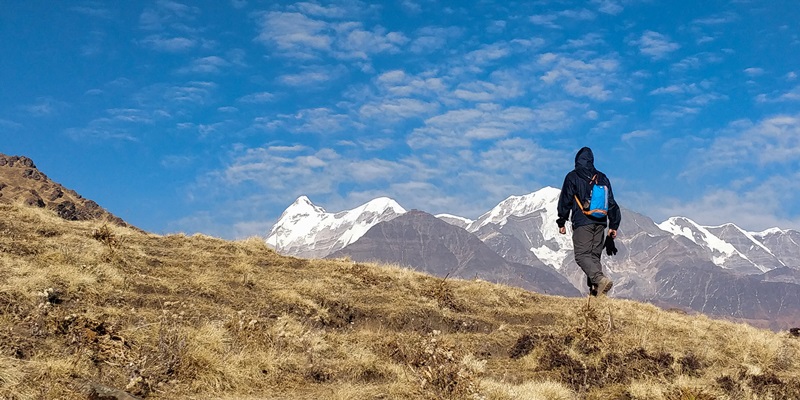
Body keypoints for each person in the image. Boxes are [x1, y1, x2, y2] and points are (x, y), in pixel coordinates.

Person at [556, 147, 621, 296]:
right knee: (593, 256)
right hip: (601, 222)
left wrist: (561, 221)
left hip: (582, 220)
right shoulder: (602, 177)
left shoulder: (573, 176)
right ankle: (597, 293)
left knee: (582, 255)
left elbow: (565, 199)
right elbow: (611, 202)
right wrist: (614, 225)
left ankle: (599, 280)